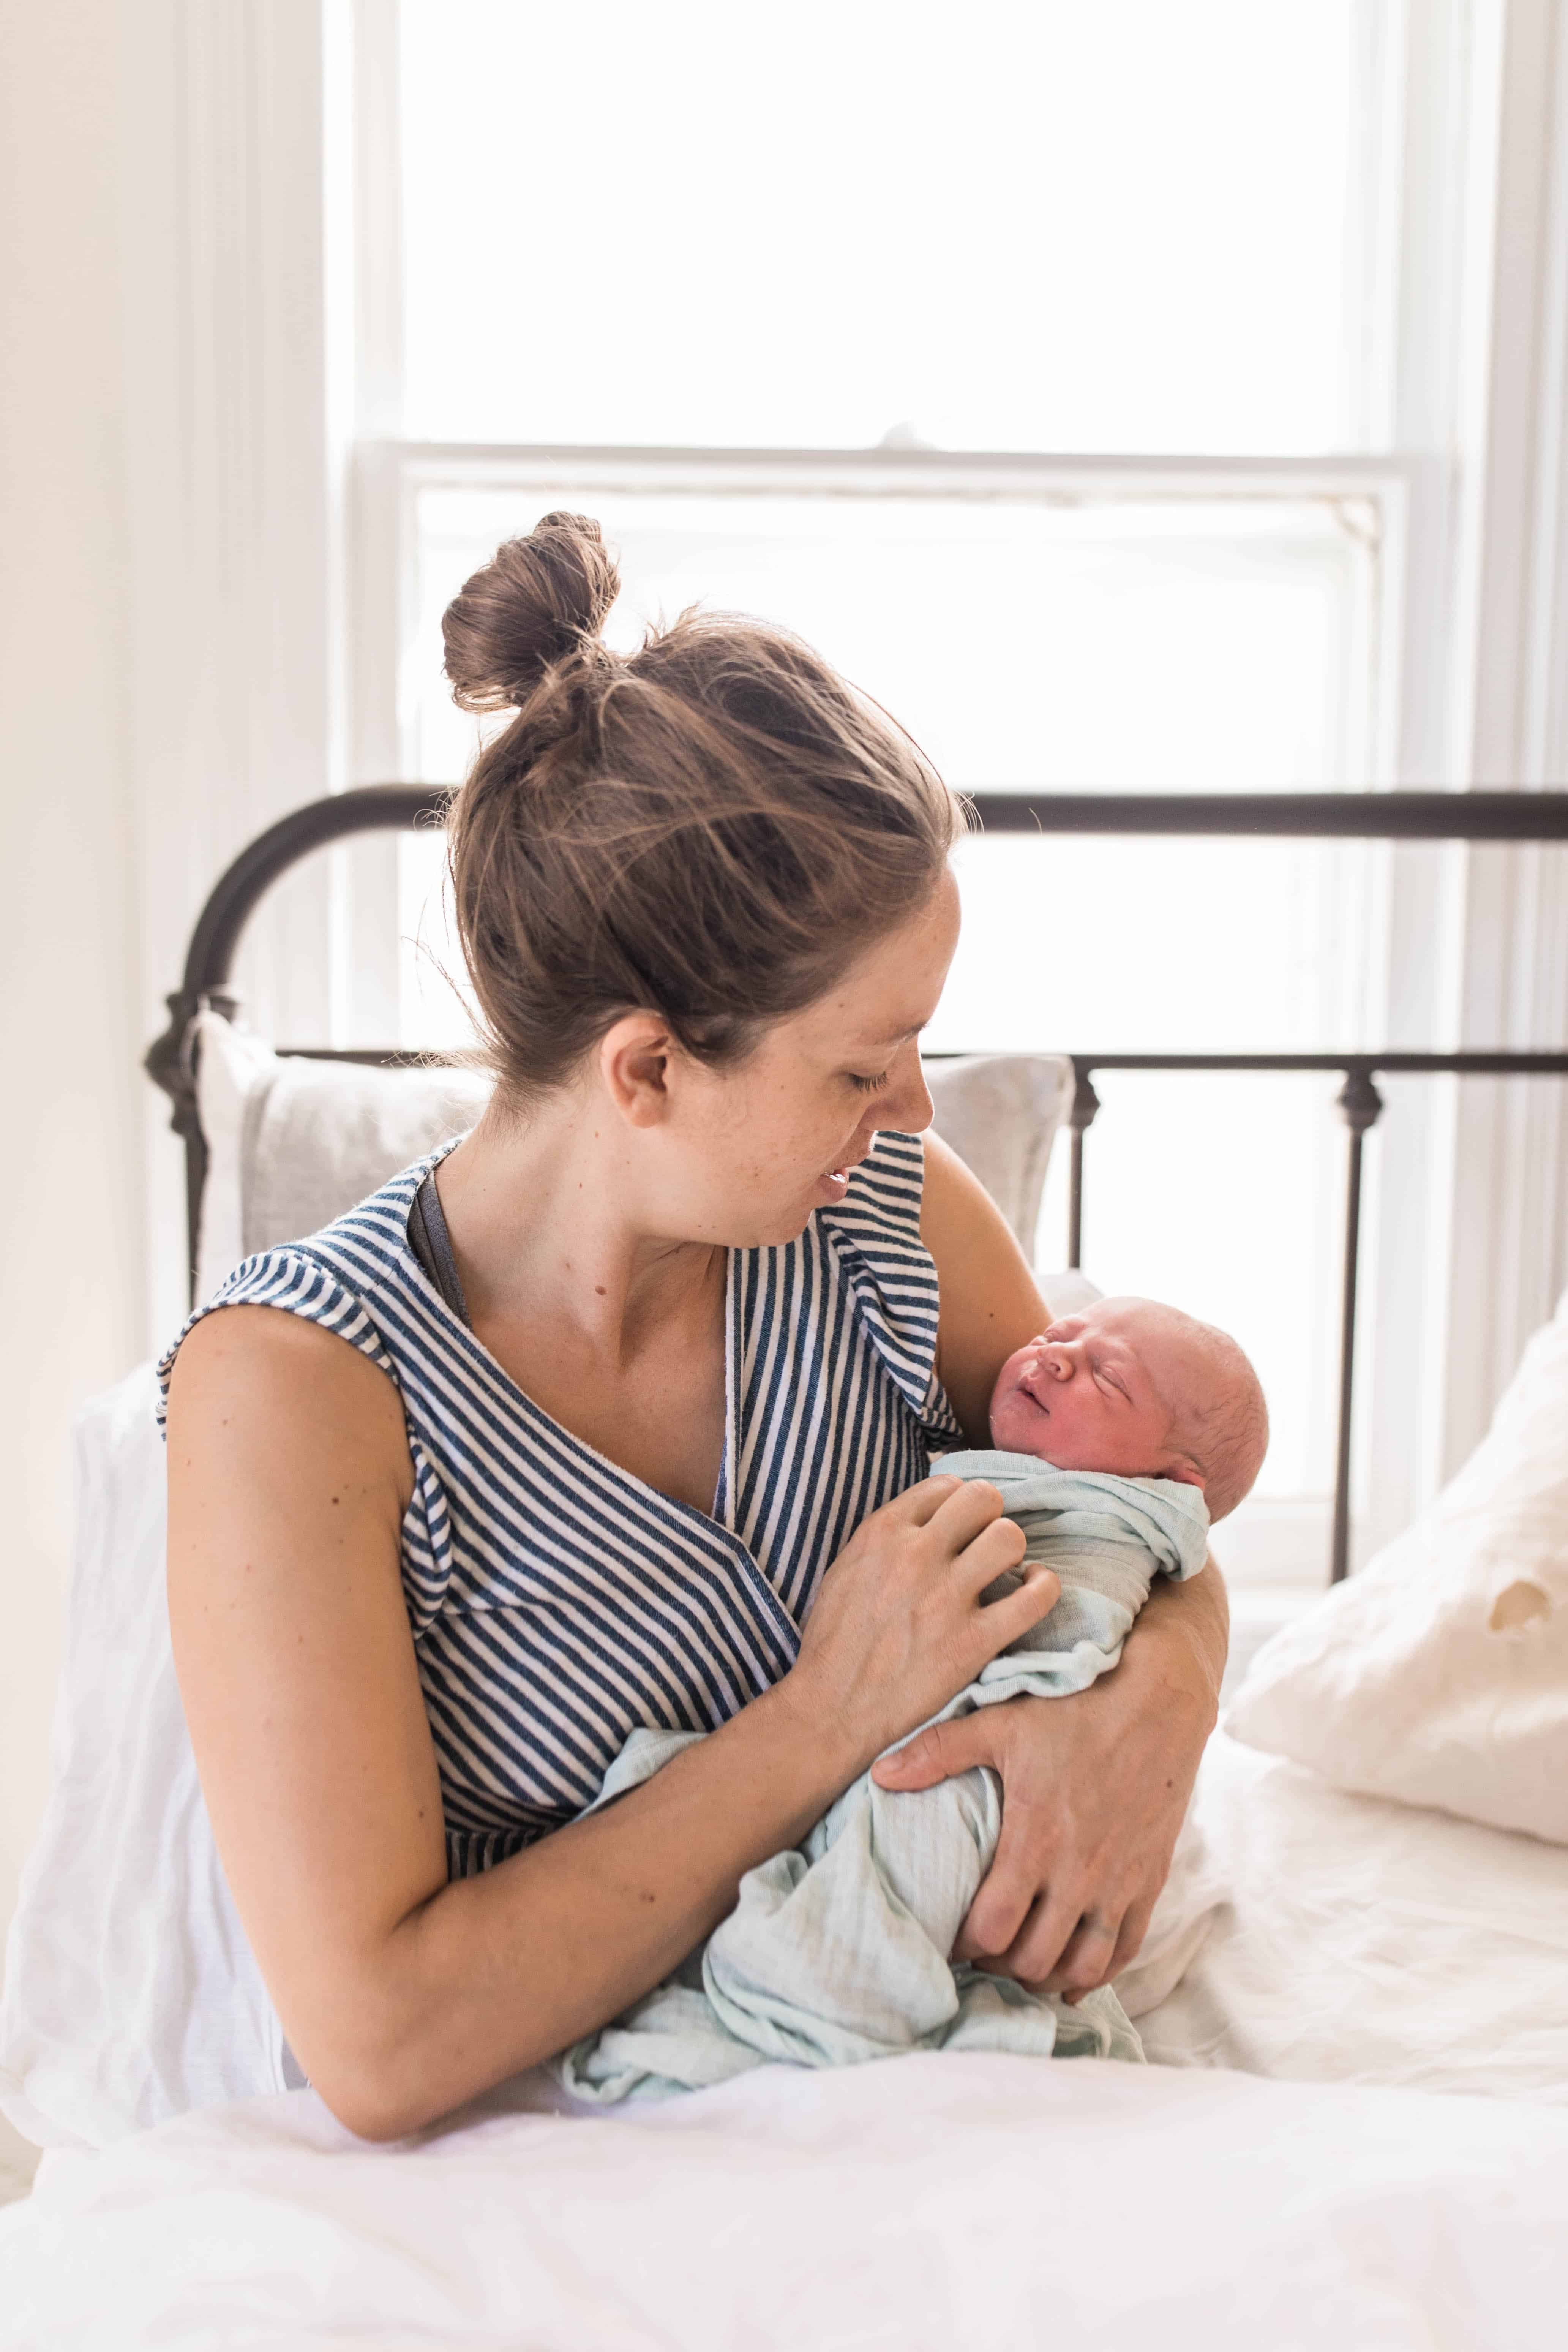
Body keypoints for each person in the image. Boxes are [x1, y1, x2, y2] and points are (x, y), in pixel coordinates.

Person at [161, 512, 1231, 2143]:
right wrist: (824, 1717)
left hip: (938, 2112)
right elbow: (381, 2044)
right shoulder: (297, 1392)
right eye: (863, 1065)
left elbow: (1139, 1515)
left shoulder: (894, 1219)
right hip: (556, 2170)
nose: (916, 1108)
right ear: (649, 1071)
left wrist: (1170, 1688)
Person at [556, 1297, 1266, 2100]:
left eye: (1107, 1376)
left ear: (1172, 1485)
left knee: (931, 1819)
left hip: (1008, 1729)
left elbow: (1158, 1570)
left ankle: (816, 2001)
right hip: (843, 1741)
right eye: (1057, 1334)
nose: (1057, 1357)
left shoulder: (1112, 1518)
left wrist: (1166, 1674)